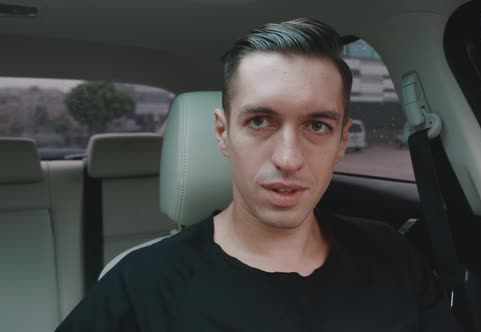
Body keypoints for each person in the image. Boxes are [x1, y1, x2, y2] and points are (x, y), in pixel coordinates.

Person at [56, 18, 457, 331]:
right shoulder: (140, 286)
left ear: (340, 142)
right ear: (223, 133)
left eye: (317, 126)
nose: (288, 158)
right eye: (261, 120)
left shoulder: (394, 257)